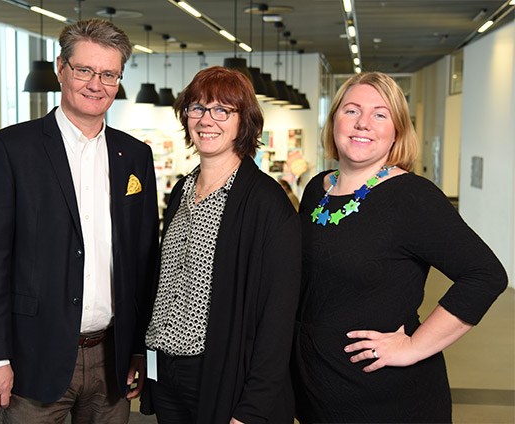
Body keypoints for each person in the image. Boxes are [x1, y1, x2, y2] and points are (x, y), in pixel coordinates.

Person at [0, 18, 159, 423]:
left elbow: (143, 261)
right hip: (32, 357)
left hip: (112, 359)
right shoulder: (10, 149)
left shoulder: (135, 156)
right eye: (85, 70)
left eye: (109, 74)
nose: (96, 84)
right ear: (60, 69)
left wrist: (139, 349)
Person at [292, 71, 508, 423]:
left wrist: (413, 347)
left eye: (380, 114)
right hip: (319, 394)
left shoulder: (412, 197)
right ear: (333, 121)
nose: (363, 123)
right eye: (351, 111)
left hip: (387, 401)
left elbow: (485, 275)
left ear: (397, 131)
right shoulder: (319, 189)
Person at [142, 66, 301, 423]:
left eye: (221, 110)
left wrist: (253, 408)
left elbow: (278, 315)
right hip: (166, 371)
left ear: (243, 121)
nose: (206, 119)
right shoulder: (180, 191)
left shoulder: (266, 202)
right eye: (196, 108)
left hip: (219, 374)